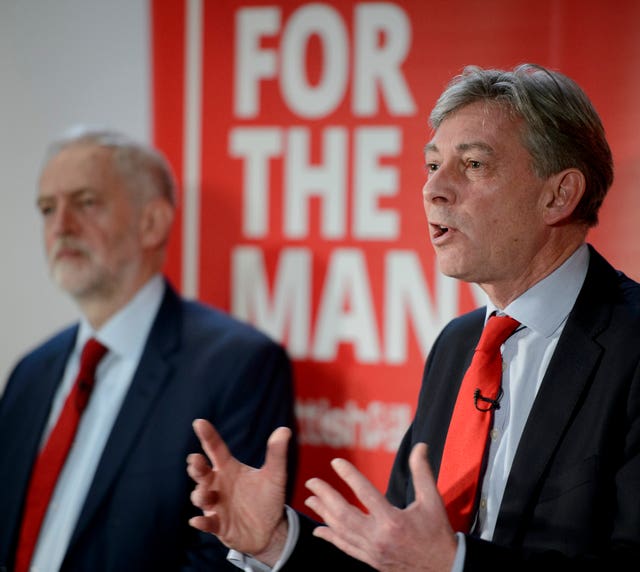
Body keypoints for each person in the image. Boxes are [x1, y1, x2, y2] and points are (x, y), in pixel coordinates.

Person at [186, 63, 640, 571]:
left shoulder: (632, 345)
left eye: (472, 165)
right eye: (431, 166)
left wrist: (454, 564)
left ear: (558, 195)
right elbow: (397, 558)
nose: (433, 190)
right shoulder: (458, 346)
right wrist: (275, 540)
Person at [0, 127, 298, 572]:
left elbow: (224, 560)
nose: (60, 226)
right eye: (47, 209)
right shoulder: (31, 371)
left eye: (86, 202)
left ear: (152, 223)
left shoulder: (239, 366)